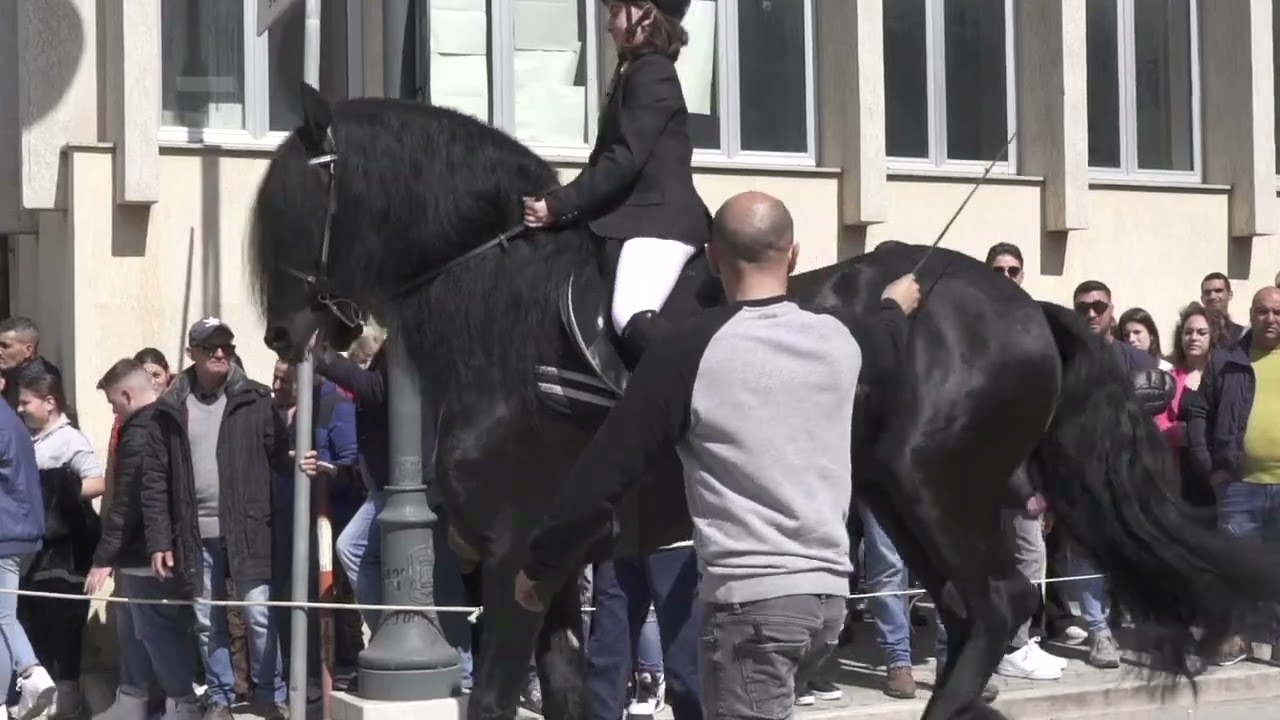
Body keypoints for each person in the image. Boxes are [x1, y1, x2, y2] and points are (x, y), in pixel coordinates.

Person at [515, 191, 921, 716]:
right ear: (793, 256)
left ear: (710, 258)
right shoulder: (840, 337)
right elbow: (886, 334)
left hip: (751, 605)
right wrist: (896, 304)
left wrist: (541, 566)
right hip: (826, 602)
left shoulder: (685, 350)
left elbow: (604, 472)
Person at [521, 0, 710, 367]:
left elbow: (623, 160)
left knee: (629, 315)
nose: (609, 25)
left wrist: (557, 205)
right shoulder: (637, 70)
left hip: (659, 224)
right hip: (636, 218)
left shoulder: (653, 73)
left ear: (647, 16)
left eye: (615, 13)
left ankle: (697, 390)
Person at [160, 318, 292, 720]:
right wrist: (162, 537)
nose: (220, 352)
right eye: (210, 346)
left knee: (259, 615)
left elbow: (280, 459)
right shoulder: (171, 406)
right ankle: (219, 698)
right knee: (206, 620)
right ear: (192, 353)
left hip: (250, 527)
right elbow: (160, 476)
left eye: (226, 346)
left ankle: (272, 695)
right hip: (196, 533)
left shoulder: (255, 399)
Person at [87, 359, 202, 720]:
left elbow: (129, 500)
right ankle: (139, 699)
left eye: (113, 404)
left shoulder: (141, 428)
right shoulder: (164, 418)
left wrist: (104, 557)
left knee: (156, 630)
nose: (113, 412)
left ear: (126, 394)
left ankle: (182, 703)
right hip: (148, 549)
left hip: (148, 551)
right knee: (140, 627)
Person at [14, 370, 103, 719]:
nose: (20, 408)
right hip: (33, 554)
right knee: (32, 620)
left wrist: (58, 497)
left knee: (63, 624)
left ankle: (67, 693)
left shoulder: (70, 441)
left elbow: (95, 483)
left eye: (26, 402)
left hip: (65, 555)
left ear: (49, 402)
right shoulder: (30, 439)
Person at [0, 377, 55, 720]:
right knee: (2, 617)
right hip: (18, 530)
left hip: (5, 532)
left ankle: (32, 673)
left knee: (2, 616)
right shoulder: (11, 419)